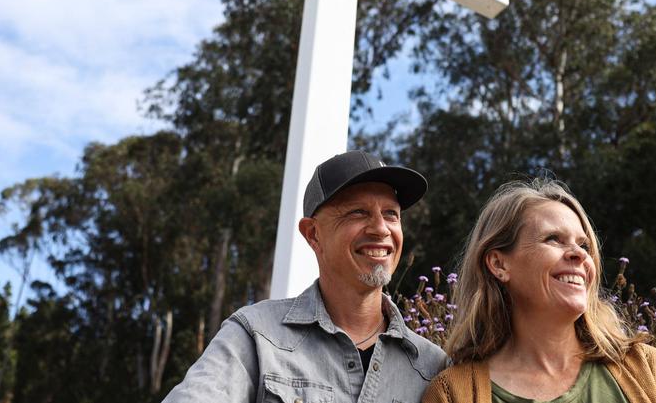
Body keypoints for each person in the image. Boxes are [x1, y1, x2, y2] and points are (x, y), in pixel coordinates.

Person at [163, 150, 448, 403]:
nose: (381, 229)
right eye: (358, 212)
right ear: (313, 234)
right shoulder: (256, 335)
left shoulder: (433, 368)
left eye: (391, 214)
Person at [423, 179, 656, 403]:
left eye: (584, 245)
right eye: (553, 239)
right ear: (498, 263)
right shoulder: (454, 394)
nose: (579, 254)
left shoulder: (648, 371)